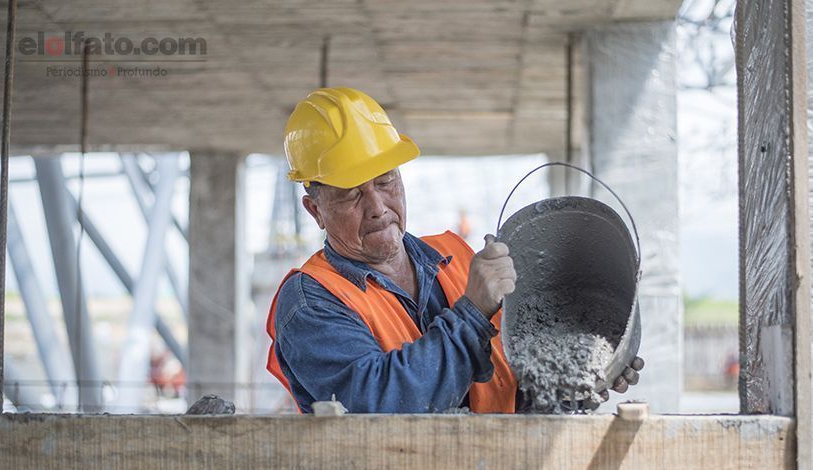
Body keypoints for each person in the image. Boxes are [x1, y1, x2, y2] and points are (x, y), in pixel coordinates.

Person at [266, 87, 642, 413]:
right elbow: (378, 405)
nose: (378, 206)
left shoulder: (456, 258)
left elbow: (507, 388)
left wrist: (582, 375)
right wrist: (473, 313)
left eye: (385, 181)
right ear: (315, 210)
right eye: (352, 194)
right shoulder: (311, 301)